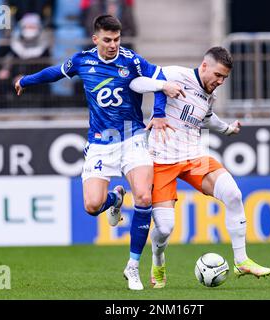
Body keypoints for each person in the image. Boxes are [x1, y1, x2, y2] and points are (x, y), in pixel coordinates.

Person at [14, 14, 184, 290]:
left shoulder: (131, 60)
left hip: (133, 137)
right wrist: (26, 80)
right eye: (107, 40)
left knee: (143, 196)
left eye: (116, 39)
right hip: (100, 143)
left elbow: (160, 80)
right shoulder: (83, 60)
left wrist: (160, 112)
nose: (113, 45)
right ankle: (115, 199)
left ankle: (132, 266)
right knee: (92, 206)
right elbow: (55, 72)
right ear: (96, 39)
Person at [130, 47, 270, 289]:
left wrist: (227, 129)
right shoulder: (175, 74)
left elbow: (206, 118)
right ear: (204, 66)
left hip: (193, 156)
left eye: (225, 78)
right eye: (218, 75)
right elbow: (136, 83)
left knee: (233, 194)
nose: (220, 81)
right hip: (161, 160)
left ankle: (241, 260)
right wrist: (162, 86)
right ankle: (158, 259)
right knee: (164, 228)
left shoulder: (209, 95)